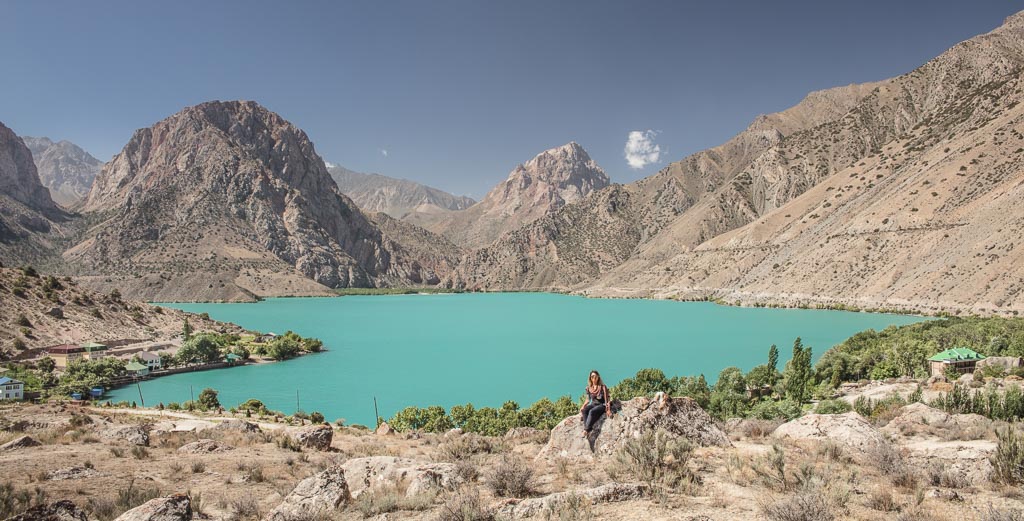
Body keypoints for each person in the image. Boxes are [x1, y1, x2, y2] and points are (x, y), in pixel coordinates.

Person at [579, 369, 612, 438]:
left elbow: (607, 399)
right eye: (592, 376)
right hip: (593, 404)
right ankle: (588, 428)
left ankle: (586, 430)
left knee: (591, 411)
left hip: (602, 405)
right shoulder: (589, 388)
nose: (594, 378)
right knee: (585, 410)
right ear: (590, 378)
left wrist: (608, 409)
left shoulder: (603, 387)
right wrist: (583, 406)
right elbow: (588, 399)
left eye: (595, 376)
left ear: (598, 377)